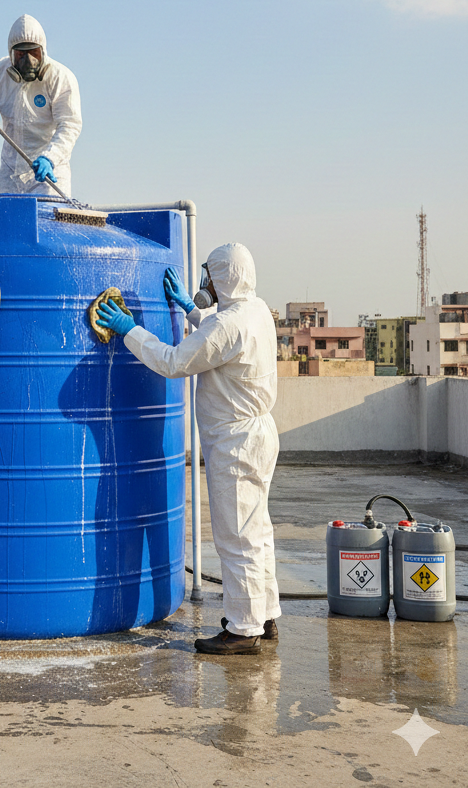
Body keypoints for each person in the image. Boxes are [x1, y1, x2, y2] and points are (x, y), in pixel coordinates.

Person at [95, 243, 280, 655]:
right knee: (259, 531)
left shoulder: (227, 324)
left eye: (209, 277)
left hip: (235, 443)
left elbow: (175, 361)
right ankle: (264, 613)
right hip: (260, 434)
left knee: (237, 537)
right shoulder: (257, 311)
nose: (204, 285)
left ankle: (244, 629)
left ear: (222, 279)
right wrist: (191, 311)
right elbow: (220, 339)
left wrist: (130, 330)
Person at [0, 14, 82, 197]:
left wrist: (50, 158)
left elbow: (70, 125)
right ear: (11, 54)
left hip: (48, 174)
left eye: (34, 53)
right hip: (11, 173)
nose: (28, 61)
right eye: (21, 54)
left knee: (47, 222)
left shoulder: (60, 77)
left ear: (43, 50)